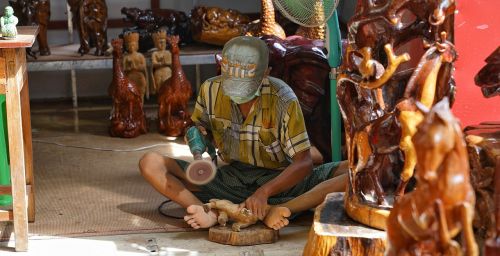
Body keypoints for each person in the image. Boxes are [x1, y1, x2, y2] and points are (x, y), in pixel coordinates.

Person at [139, 36, 347, 230]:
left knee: (356, 173)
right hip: (231, 178)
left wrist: (264, 192)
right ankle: (208, 211)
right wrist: (198, 135)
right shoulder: (210, 90)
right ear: (222, 68)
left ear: (266, 73)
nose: (239, 95)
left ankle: (282, 208)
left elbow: (304, 163)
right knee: (150, 162)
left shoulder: (283, 98)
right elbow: (200, 128)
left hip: (281, 182)